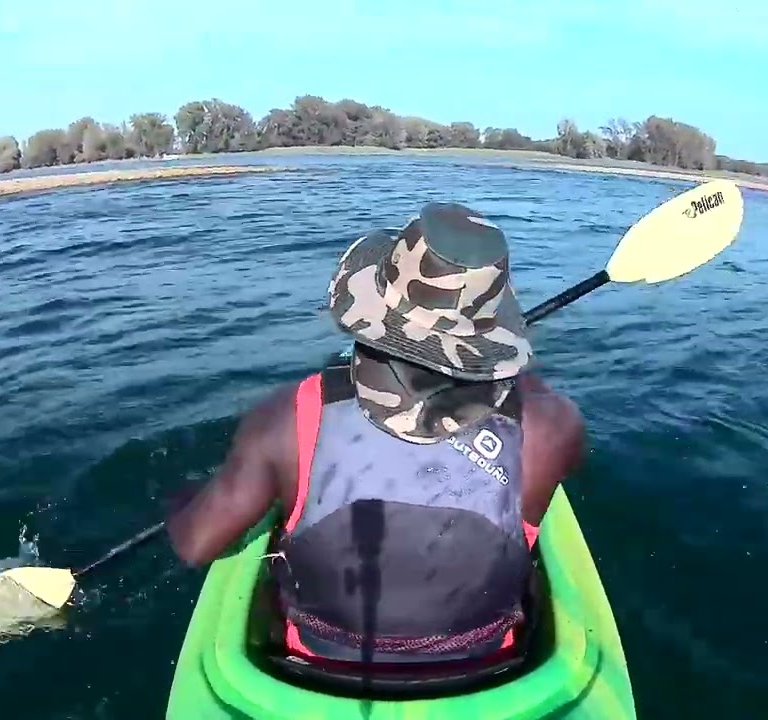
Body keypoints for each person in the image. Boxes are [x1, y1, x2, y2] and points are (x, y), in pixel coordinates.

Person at [166, 201, 586, 664]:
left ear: (372, 304)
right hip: (487, 669)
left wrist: (183, 501)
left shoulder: (285, 417)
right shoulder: (554, 425)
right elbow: (517, 396)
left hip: (316, 667)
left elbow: (194, 544)